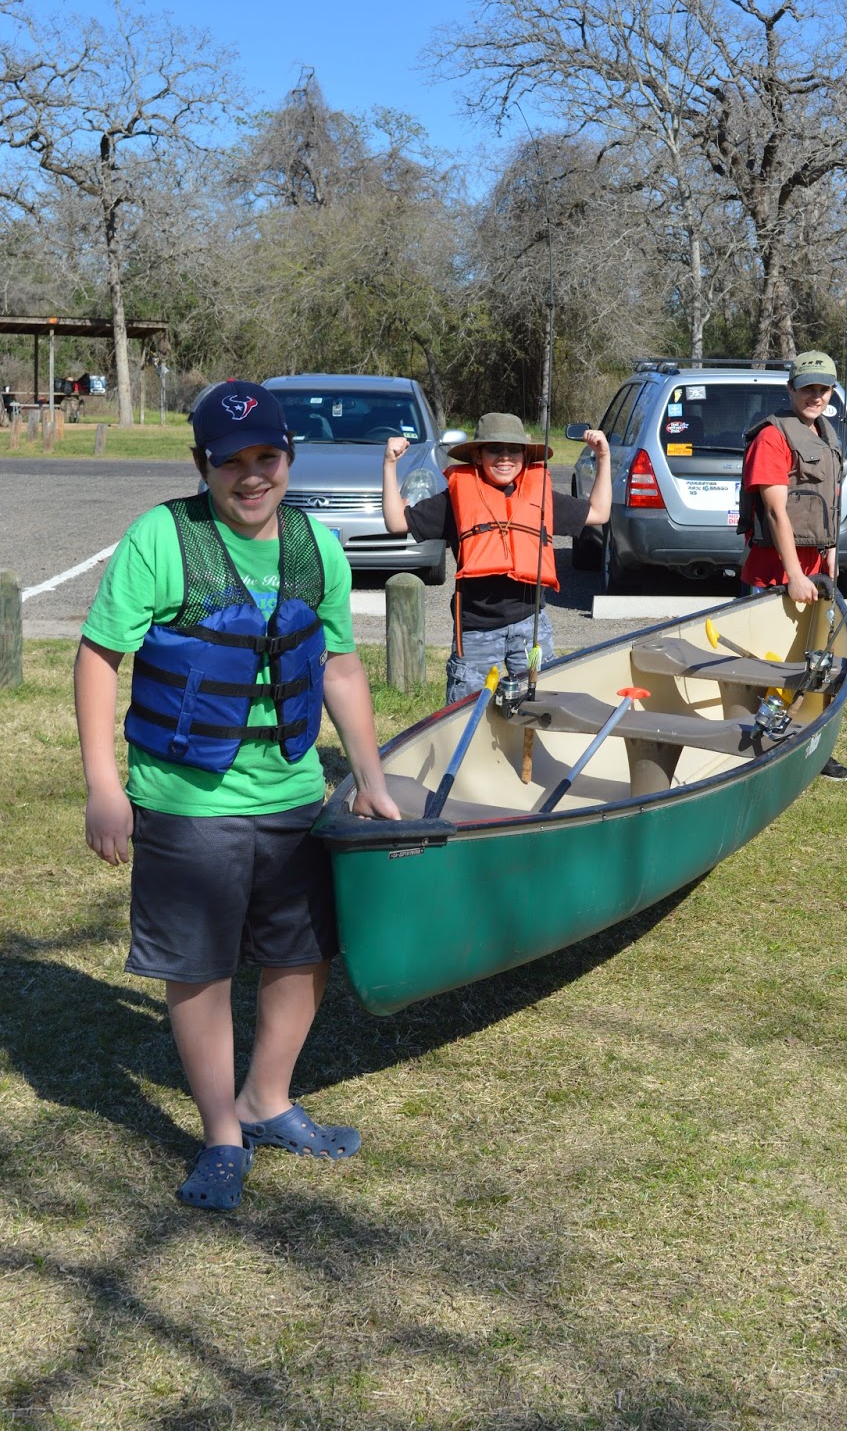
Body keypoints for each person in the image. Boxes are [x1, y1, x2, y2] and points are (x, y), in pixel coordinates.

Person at [74, 379, 400, 1213]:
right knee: (200, 966)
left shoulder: (315, 546)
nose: (252, 477)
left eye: (268, 458)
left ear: (288, 458)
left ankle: (268, 1098)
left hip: (292, 790)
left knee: (303, 953)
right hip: (186, 800)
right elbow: (99, 657)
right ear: (202, 466)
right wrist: (105, 787)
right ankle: (222, 1133)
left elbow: (339, 665)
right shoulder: (163, 538)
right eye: (233, 463)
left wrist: (369, 776)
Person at [383, 411, 611, 703]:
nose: (505, 457)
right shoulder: (454, 501)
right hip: (477, 629)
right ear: (478, 456)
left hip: (531, 625)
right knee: (467, 715)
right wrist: (390, 464)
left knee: (540, 708)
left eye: (514, 450)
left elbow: (599, 512)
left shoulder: (541, 497)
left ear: (525, 456)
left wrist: (603, 458)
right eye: (494, 449)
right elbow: (396, 522)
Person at [738, 350, 847, 784]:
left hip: (816, 575)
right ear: (791, 388)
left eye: (823, 388)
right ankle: (760, 754)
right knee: (772, 671)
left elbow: (826, 507)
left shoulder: (825, 434)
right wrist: (793, 574)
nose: (815, 395)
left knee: (817, 667)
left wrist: (829, 560)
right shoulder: (772, 437)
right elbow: (775, 512)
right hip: (777, 577)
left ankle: (812, 748)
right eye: (807, 387)